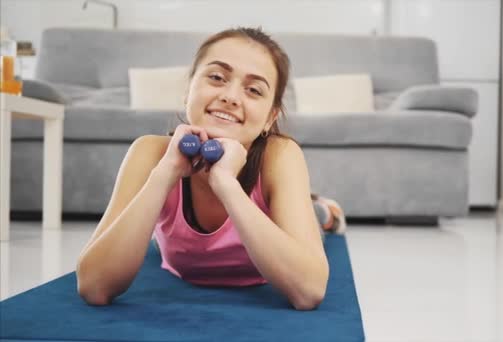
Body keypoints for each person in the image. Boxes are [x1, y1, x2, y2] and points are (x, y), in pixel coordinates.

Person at [76, 27, 329, 311]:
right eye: (217, 77)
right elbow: (94, 286)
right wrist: (165, 173)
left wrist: (226, 185)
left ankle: (320, 209)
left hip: (276, 234)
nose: (231, 97)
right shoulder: (150, 152)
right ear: (188, 91)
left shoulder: (281, 155)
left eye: (254, 90)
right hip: (176, 246)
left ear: (270, 118)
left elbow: (309, 291)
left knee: (317, 225)